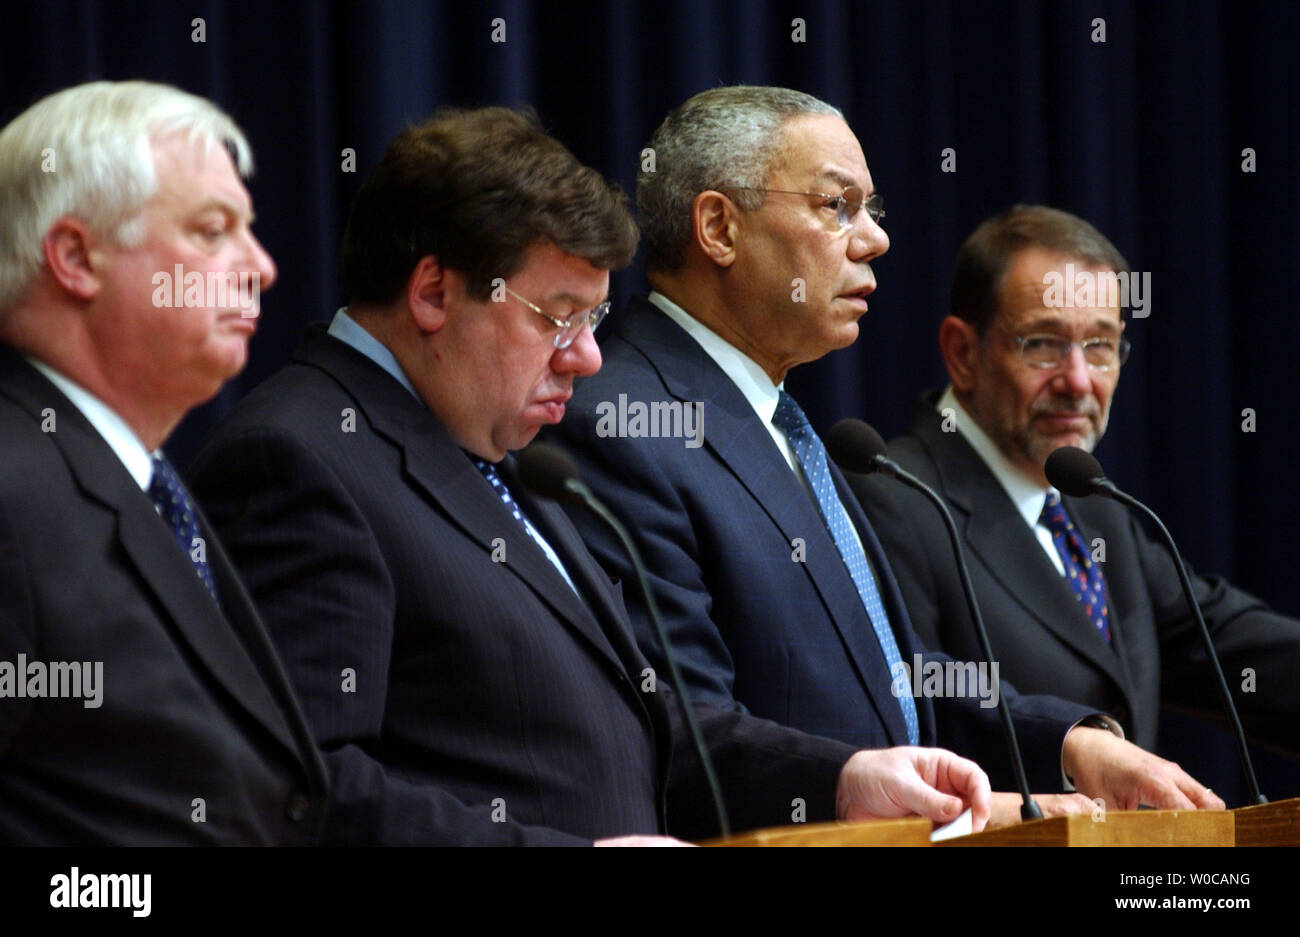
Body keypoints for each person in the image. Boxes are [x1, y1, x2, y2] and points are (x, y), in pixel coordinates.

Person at [188, 105, 998, 846]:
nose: (587, 356)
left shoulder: (502, 458)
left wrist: (839, 777)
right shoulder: (298, 459)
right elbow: (302, 785)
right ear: (433, 290)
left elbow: (649, 731)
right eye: (559, 316)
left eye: (596, 318)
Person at [546, 86, 1224, 815]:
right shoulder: (621, 423)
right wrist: (897, 798)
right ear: (719, 227)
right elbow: (674, 726)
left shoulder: (787, 424)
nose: (874, 240)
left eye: (872, 210)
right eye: (837, 206)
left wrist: (1070, 744)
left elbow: (894, 675)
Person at [848, 204, 1300, 774]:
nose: (1079, 380)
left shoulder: (1092, 509)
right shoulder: (892, 499)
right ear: (963, 353)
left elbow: (1222, 641)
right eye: (1042, 343)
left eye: (1101, 345)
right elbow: (913, 698)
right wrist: (1074, 745)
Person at [0, 81, 328, 844]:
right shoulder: (12, 492)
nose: (263, 266)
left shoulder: (143, 482)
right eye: (213, 232)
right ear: (77, 256)